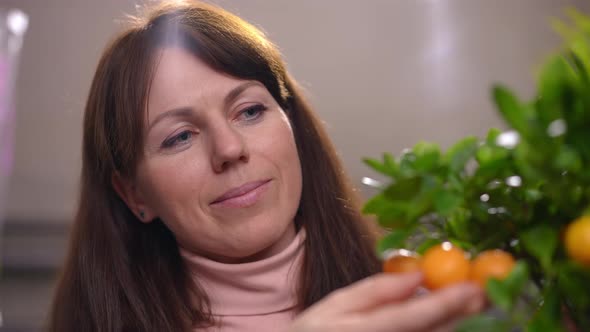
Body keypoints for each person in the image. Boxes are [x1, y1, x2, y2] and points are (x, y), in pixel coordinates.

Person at [48, 1, 485, 331]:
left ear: (291, 124)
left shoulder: (416, 296)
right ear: (135, 194)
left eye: (250, 111)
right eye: (179, 137)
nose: (229, 148)